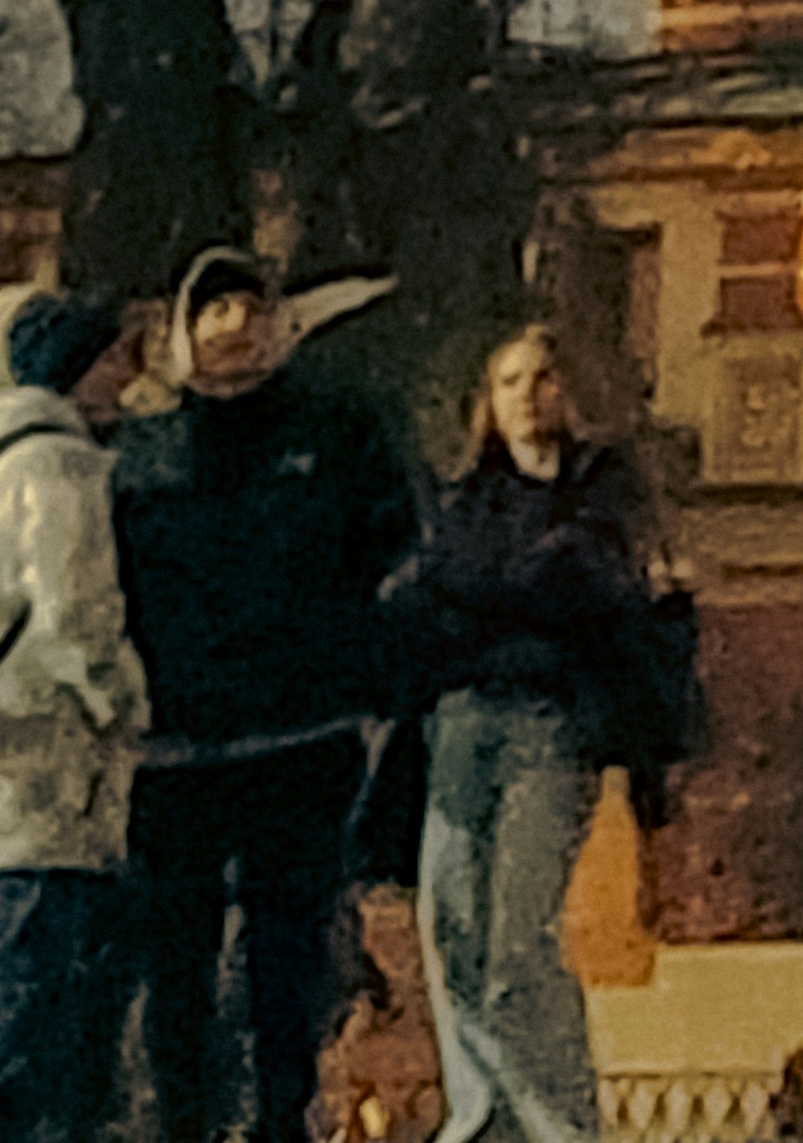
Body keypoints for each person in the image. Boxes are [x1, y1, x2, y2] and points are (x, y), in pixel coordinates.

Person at [113, 244, 420, 1143]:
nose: (236, 326)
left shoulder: (336, 428)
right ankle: (183, 1122)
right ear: (184, 328)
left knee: (287, 954)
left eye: (251, 307)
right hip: (175, 748)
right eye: (215, 309)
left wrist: (360, 673)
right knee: (177, 957)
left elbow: (388, 548)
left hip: (301, 733)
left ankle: (282, 1118)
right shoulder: (140, 450)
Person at [394, 329, 681, 1143]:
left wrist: (488, 591)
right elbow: (433, 591)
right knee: (452, 927)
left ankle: (558, 1124)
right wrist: (521, 586)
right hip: (460, 722)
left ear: (569, 389)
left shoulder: (604, 490)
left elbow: (584, 579)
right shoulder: (461, 496)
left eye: (543, 375)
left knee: (521, 941)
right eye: (510, 378)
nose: (527, 392)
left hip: (552, 726)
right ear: (488, 399)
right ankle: (480, 1114)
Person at [0, 294, 147, 1143]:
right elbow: (75, 618)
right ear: (81, 367)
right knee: (32, 1001)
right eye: (117, 359)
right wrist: (122, 704)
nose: (129, 377)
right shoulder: (58, 464)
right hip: (43, 778)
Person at [1, 0, 247, 324]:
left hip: (189, 151)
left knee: (193, 284)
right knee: (108, 285)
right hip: (128, 147)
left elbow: (217, 71)